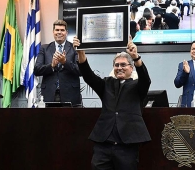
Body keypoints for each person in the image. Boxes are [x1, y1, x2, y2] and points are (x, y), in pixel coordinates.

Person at [73, 37, 151, 170]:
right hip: (104, 144)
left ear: (131, 68)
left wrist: (136, 57)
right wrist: (81, 52)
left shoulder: (138, 86)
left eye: (123, 65)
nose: (119, 68)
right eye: (116, 65)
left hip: (127, 145)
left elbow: (145, 79)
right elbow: (88, 76)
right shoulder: (106, 84)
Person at [34, 20, 81, 106]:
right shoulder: (44, 48)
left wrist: (65, 62)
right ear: (53, 32)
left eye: (62, 30)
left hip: (70, 95)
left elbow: (80, 71)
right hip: (49, 94)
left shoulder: (74, 48)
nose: (59, 32)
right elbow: (37, 70)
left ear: (66, 32)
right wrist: (51, 65)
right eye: (57, 30)